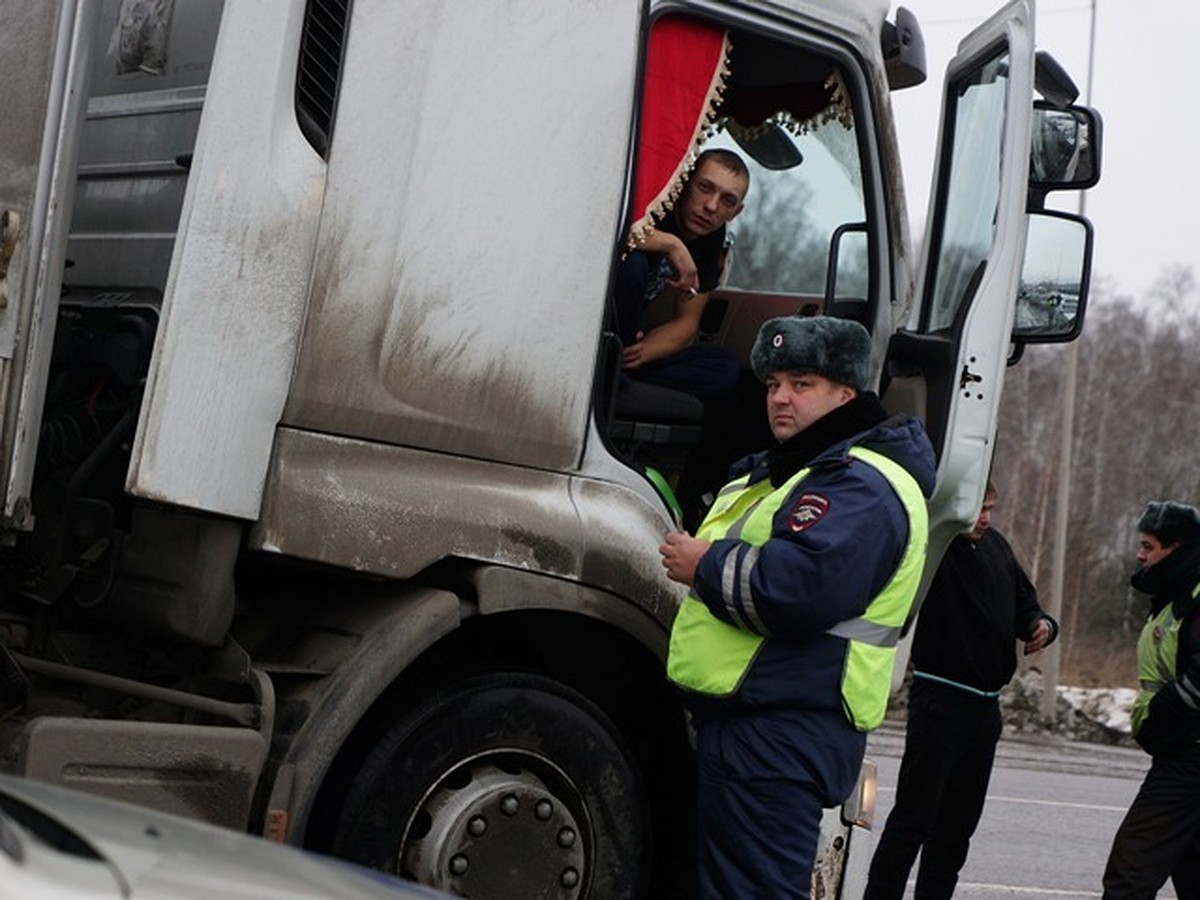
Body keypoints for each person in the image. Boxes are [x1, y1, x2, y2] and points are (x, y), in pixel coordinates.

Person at [658, 315, 936, 899]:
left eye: (802, 383)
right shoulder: (793, 472)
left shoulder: (861, 482)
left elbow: (799, 590)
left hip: (782, 731)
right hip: (755, 723)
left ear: (847, 391)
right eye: (773, 383)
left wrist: (704, 563)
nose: (781, 398)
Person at [864, 482, 1058, 900]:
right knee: (913, 821)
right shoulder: (932, 548)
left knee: (957, 830)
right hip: (940, 701)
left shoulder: (998, 548)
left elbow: (1028, 605)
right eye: (977, 509)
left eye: (990, 509)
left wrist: (1041, 626)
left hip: (985, 710)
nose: (984, 518)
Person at [1101, 501, 1200, 900]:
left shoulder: (1194, 596)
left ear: (1178, 548)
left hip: (1188, 758)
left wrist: (1160, 717)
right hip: (1182, 751)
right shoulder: (1177, 593)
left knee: (1131, 871)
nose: (1140, 555)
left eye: (1148, 546)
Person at [614, 148, 748, 402]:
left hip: (627, 342)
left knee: (725, 368)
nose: (711, 206)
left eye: (727, 201)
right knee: (634, 263)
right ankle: (611, 371)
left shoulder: (713, 239)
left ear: (736, 211)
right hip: (593, 322)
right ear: (684, 181)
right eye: (705, 188)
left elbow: (686, 324)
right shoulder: (654, 201)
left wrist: (640, 352)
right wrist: (671, 244)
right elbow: (608, 224)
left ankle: (617, 371)